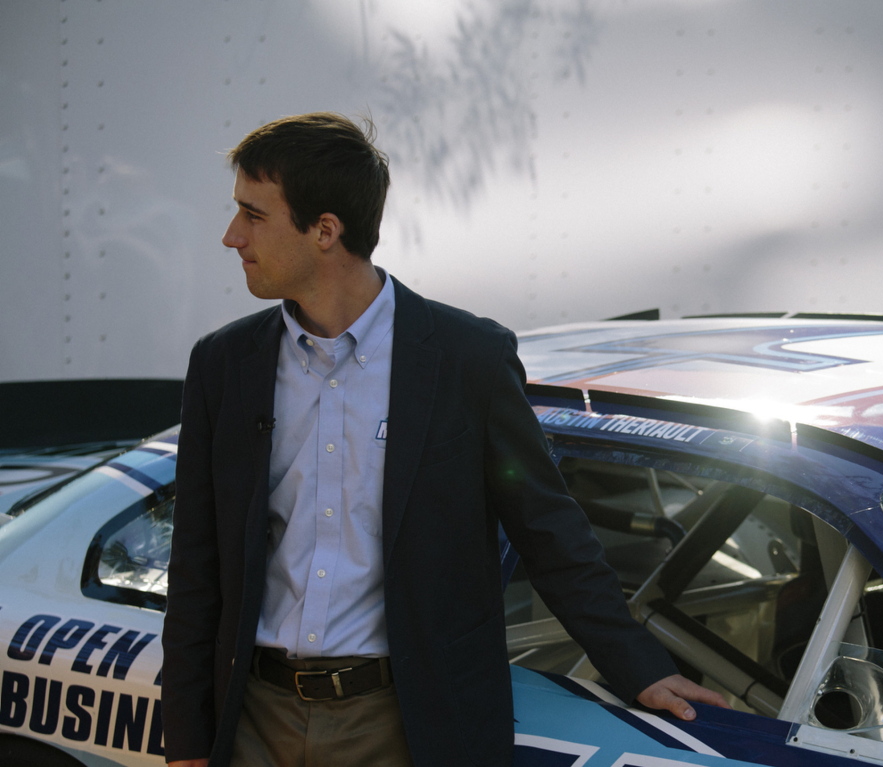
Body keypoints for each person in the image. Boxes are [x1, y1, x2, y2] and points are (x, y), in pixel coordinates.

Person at [161, 112, 727, 767]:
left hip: (407, 725)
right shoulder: (225, 363)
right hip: (253, 720)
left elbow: (546, 524)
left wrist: (637, 667)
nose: (231, 236)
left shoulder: (466, 359)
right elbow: (196, 564)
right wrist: (188, 739)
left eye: (252, 215)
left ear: (324, 230)